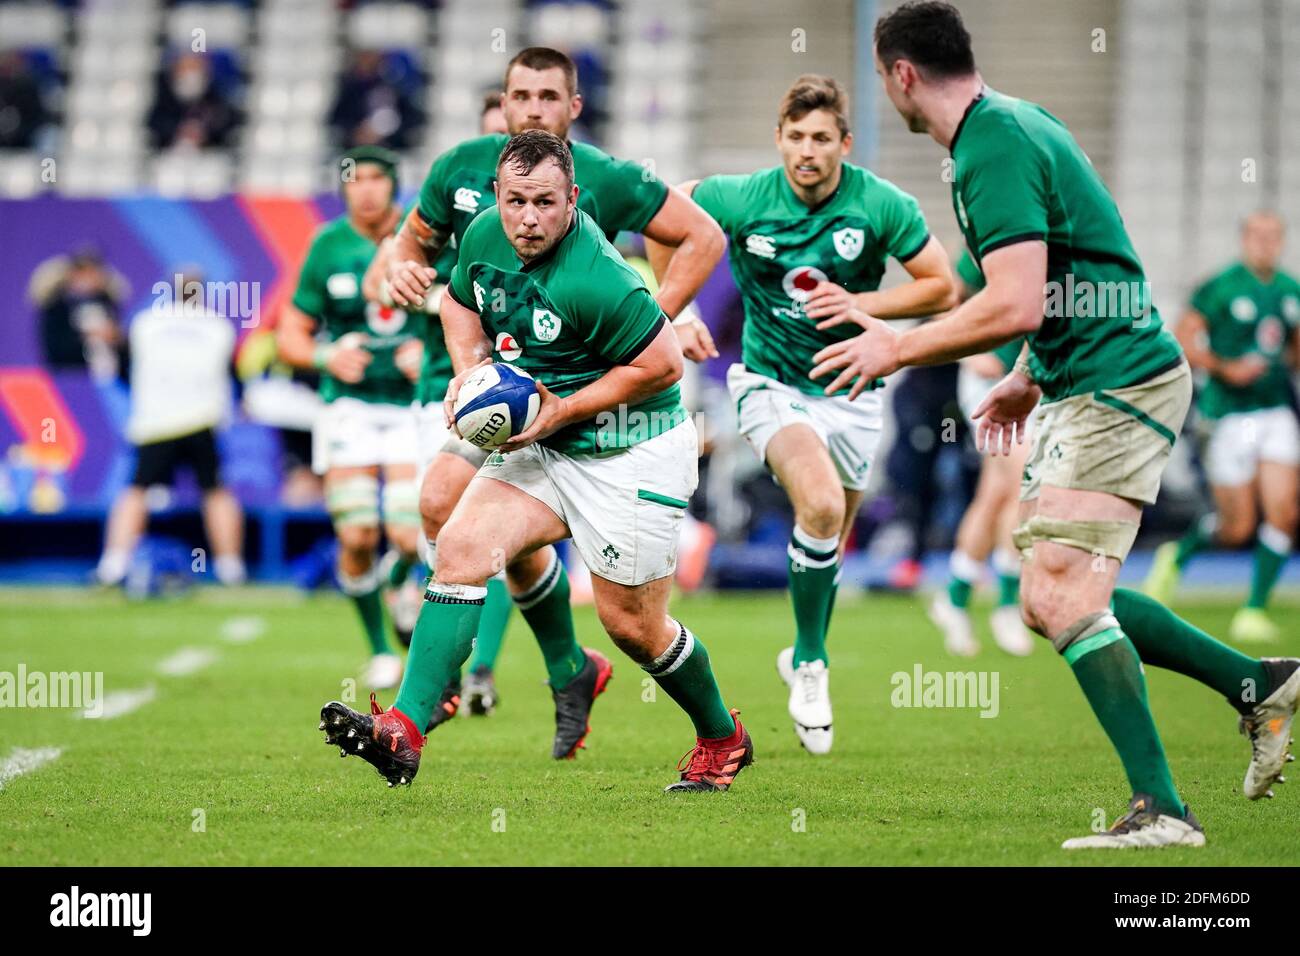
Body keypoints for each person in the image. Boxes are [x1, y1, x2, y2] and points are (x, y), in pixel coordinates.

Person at [818, 0, 1300, 848]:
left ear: (899, 74)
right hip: (1091, 378)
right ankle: (1255, 684)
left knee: (1054, 591)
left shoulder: (989, 146)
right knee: (1063, 600)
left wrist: (900, 347)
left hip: (1118, 384)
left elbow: (1013, 299)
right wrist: (1027, 375)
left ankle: (1164, 810)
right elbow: (1088, 260)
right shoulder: (1019, 122)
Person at [321, 131, 753, 794]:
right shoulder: (487, 233)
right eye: (517, 200)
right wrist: (469, 375)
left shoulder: (598, 275)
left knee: (632, 627)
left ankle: (722, 735)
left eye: (546, 203)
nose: (529, 217)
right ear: (496, 195)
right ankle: (403, 730)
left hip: (631, 446)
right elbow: (461, 300)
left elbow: (660, 364)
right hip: (547, 440)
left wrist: (560, 410)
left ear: (573, 199)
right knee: (460, 546)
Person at [646, 74, 955, 754]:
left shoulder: (881, 204)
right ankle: (812, 665)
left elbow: (943, 285)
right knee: (816, 507)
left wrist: (863, 307)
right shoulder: (744, 195)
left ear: (845, 143)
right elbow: (664, 214)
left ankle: (803, 649)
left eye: (821, 138)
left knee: (830, 535)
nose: (806, 151)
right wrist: (682, 309)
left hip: (855, 392)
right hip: (769, 384)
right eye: (795, 137)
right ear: (779, 140)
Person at [277, 146, 426, 691]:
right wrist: (325, 356)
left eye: (375, 178)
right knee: (359, 535)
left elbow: (463, 307)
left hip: (413, 407)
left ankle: (405, 587)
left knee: (410, 538)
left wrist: (431, 354)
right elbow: (290, 333)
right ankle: (381, 649)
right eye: (354, 179)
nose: (365, 189)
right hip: (349, 408)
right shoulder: (327, 245)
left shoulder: (423, 235)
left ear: (393, 184)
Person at [1145, 212, 1300, 642]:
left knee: (1285, 511)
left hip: (1274, 414)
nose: (1267, 243)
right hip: (1228, 415)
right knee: (1237, 528)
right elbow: (1182, 338)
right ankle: (1176, 555)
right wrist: (1224, 368)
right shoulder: (1221, 286)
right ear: (1246, 239)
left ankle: (1253, 609)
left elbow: (1295, 350)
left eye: (1275, 236)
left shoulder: (1291, 290)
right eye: (1259, 235)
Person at [95, 271, 245, 588]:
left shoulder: (146, 324)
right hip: (201, 421)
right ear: (201, 293)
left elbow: (123, 372)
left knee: (137, 490)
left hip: (155, 422)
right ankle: (231, 567)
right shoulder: (217, 327)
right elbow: (235, 378)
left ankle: (113, 565)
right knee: (215, 491)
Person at [929, 251, 1033, 657]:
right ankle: (1007, 601)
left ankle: (954, 596)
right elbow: (940, 302)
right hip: (993, 384)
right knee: (1026, 481)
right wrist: (970, 352)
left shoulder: (1053, 246)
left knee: (996, 494)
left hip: (1033, 381)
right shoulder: (990, 248)